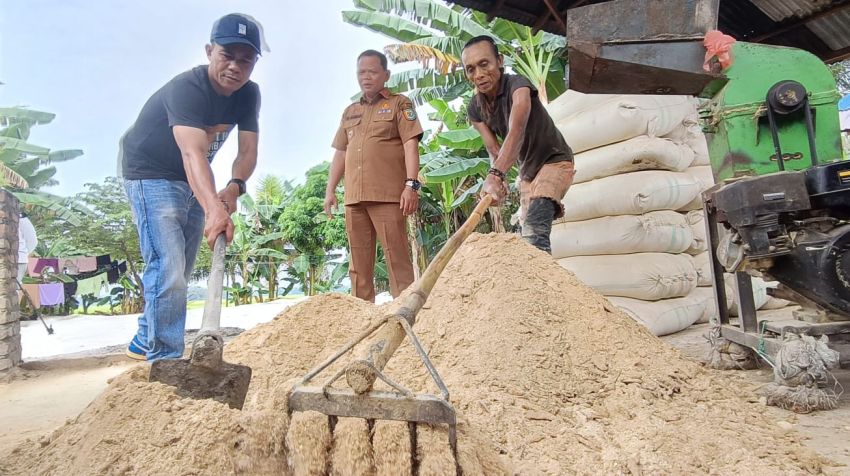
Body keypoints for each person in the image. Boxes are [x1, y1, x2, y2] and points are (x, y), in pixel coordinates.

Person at [119, 13, 266, 361]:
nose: (235, 66)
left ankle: (144, 338)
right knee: (168, 268)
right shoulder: (187, 89)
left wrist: (233, 188)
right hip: (149, 173)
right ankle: (165, 359)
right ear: (208, 51)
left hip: (193, 177)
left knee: (180, 270)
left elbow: (247, 151)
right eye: (226, 55)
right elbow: (192, 153)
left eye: (245, 60)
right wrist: (214, 208)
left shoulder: (249, 94)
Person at [324, 50, 424, 302]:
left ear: (386, 75)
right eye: (361, 72)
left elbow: (411, 144)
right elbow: (340, 152)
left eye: (372, 71)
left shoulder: (400, 103)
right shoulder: (350, 112)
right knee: (358, 266)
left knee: (397, 259)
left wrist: (411, 185)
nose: (366, 77)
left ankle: (406, 315)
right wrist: (330, 190)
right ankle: (363, 319)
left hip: (388, 196)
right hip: (354, 198)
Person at [461, 35, 575, 254]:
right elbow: (494, 150)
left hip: (555, 162)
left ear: (500, 61)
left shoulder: (518, 85)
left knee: (534, 231)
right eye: (471, 69)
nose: (479, 74)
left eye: (484, 64)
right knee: (526, 242)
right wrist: (497, 182)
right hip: (528, 175)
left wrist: (495, 174)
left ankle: (542, 288)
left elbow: (516, 131)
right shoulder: (475, 108)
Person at [16, 212, 37, 282]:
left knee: (12, 287)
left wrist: (22, 252)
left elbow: (32, 241)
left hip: (18, 260)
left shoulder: (22, 219)